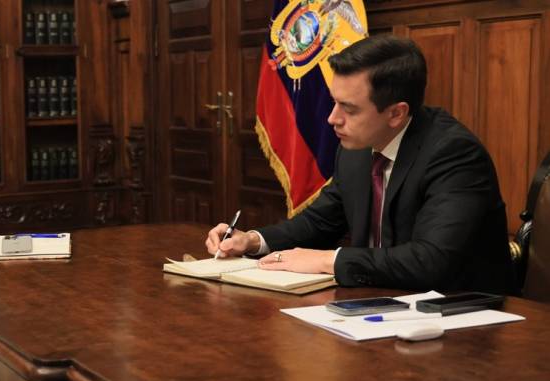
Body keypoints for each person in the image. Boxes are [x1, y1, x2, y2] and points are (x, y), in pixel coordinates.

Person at [206, 35, 513, 293]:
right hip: (379, 303)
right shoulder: (356, 147)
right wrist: (252, 241)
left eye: (349, 109)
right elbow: (320, 222)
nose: (332, 119)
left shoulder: (454, 154)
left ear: (396, 113)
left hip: (461, 318)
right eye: (334, 102)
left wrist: (328, 261)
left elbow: (430, 261)